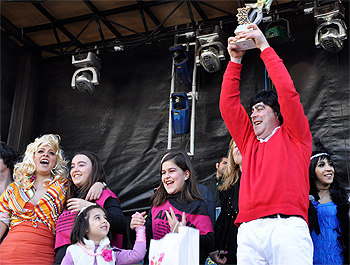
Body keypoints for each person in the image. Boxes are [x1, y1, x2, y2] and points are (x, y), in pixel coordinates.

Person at [220, 24, 313, 264]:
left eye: (260, 109)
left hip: (287, 227)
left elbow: (286, 91)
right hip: (249, 230)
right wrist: (234, 61)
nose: (253, 115)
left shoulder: (295, 135)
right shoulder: (249, 141)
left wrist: (263, 46)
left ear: (278, 114)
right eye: (252, 111)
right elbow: (228, 107)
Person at [132, 149, 214, 264]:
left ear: (186, 174)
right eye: (163, 172)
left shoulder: (197, 205)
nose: (166, 176)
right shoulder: (158, 201)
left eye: (171, 171)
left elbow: (209, 242)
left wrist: (183, 233)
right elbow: (147, 237)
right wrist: (138, 227)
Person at [0, 134, 69, 264]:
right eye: (41, 151)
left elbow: (86, 188)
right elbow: (2, 220)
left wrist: (100, 185)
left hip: (43, 255)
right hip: (8, 253)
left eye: (51, 153)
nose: (46, 155)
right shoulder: (14, 188)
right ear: (33, 157)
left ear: (55, 161)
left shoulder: (64, 188)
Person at [54, 150, 127, 264]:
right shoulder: (66, 195)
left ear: (94, 169)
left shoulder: (104, 195)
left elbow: (121, 224)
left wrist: (91, 207)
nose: (75, 169)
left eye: (81, 165)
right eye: (73, 166)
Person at [61, 204, 146, 265]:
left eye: (105, 217)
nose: (104, 221)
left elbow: (137, 255)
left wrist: (140, 229)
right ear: (85, 227)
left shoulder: (112, 252)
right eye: (97, 218)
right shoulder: (73, 251)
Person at [309, 138, 349, 265]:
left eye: (330, 164)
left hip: (338, 259)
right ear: (311, 171)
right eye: (322, 165)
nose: (329, 168)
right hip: (311, 258)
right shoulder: (305, 200)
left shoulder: (344, 199)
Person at [210, 139, 242, 265]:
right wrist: (216, 246)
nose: (238, 149)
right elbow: (225, 217)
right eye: (235, 147)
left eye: (241, 145)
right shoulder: (228, 185)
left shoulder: (260, 177)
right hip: (230, 245)